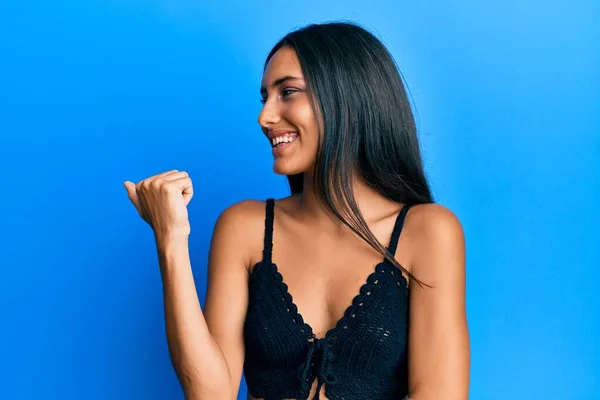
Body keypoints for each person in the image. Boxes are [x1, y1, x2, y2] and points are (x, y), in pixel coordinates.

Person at [124, 21, 469, 400]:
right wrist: (170, 240)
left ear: (348, 98)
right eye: (264, 97)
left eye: (287, 92)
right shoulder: (245, 228)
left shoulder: (428, 231)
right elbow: (210, 393)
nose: (265, 117)